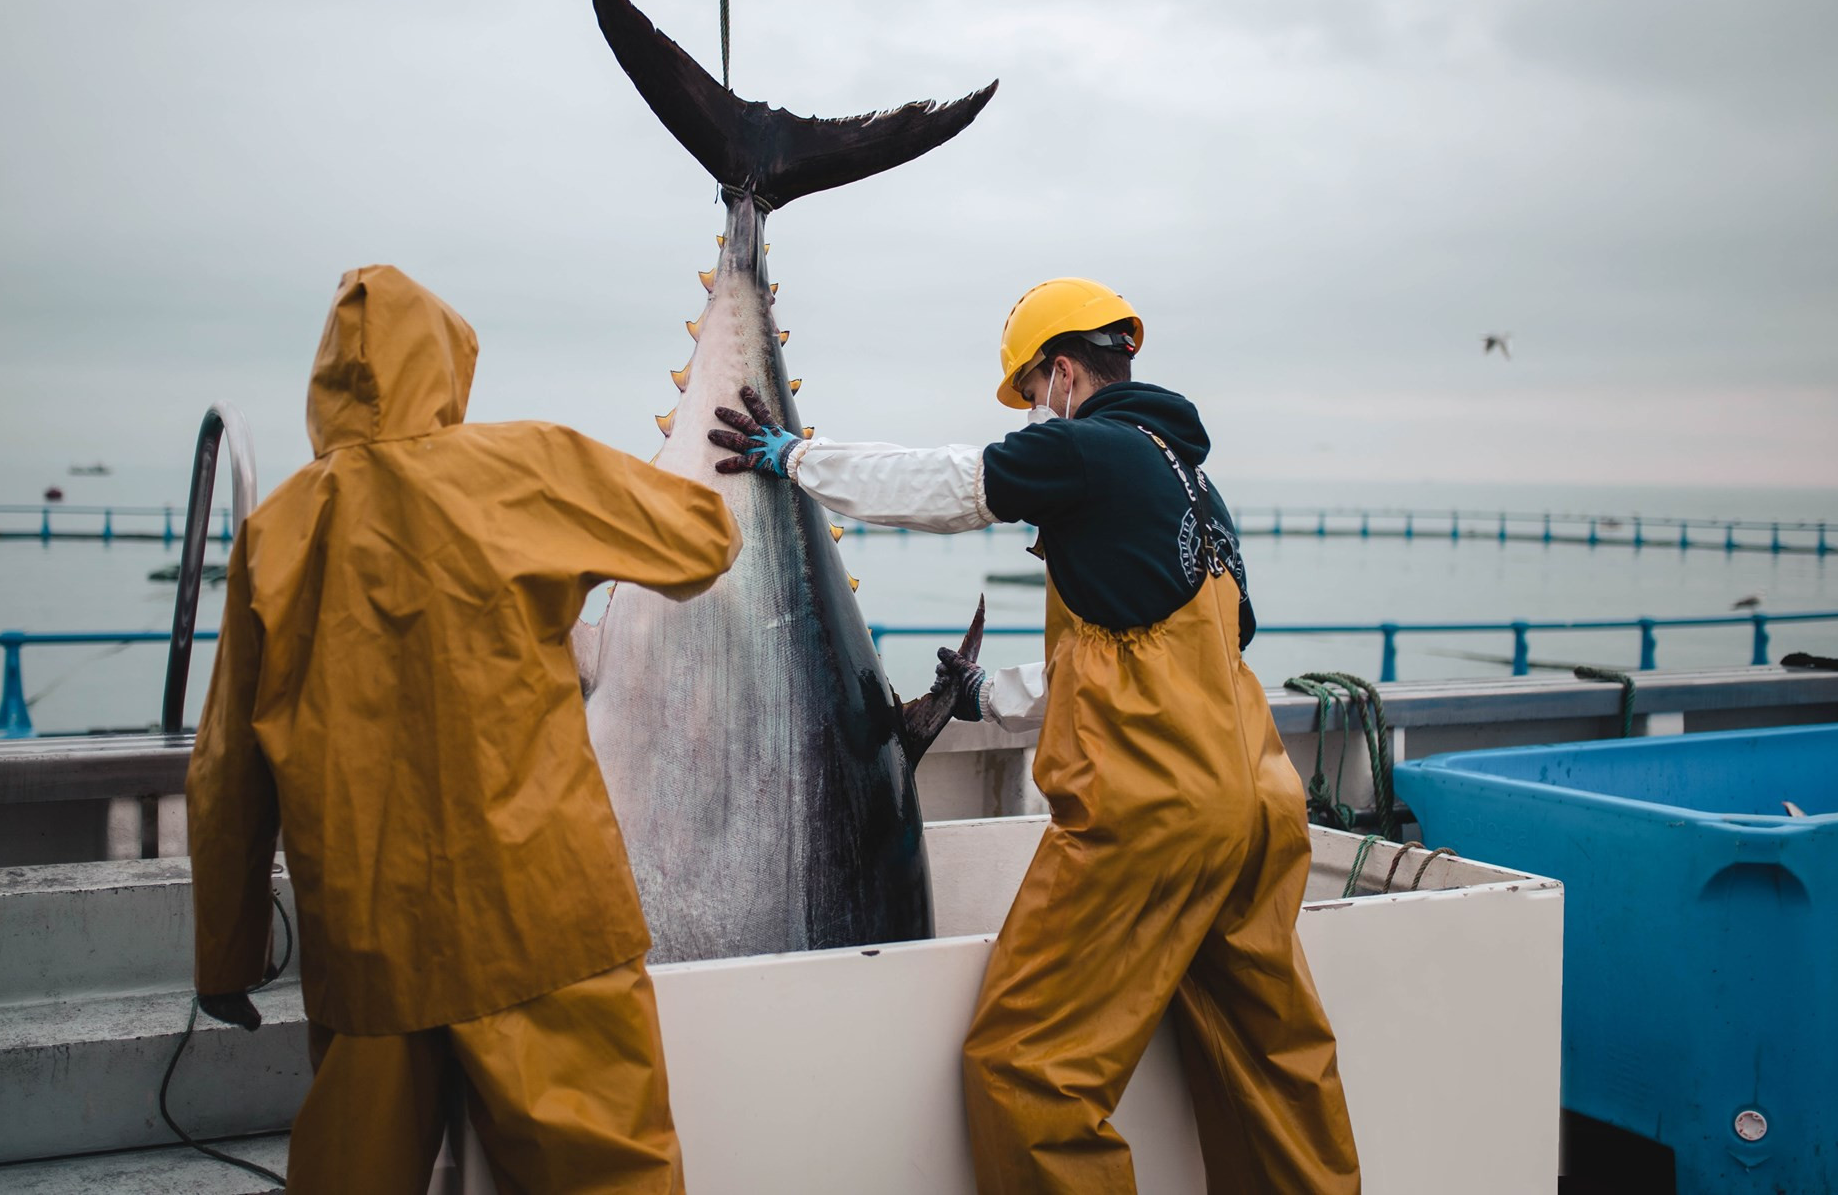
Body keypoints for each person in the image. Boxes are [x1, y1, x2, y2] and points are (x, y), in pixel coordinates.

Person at [709, 277, 1360, 1194]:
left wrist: (800, 459)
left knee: (1027, 1070)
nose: (1033, 415)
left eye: (1032, 393)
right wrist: (984, 700)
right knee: (1276, 1066)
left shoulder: (1088, 449)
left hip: (1151, 821)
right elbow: (1155, 666)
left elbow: (949, 484)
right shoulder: (1199, 492)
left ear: (1061, 371)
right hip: (1256, 814)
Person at [188, 265, 739, 1194]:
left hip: (366, 948)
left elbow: (224, 776)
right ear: (448, 367)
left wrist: (227, 956)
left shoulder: (272, 533)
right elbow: (702, 541)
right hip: (545, 924)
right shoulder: (525, 468)